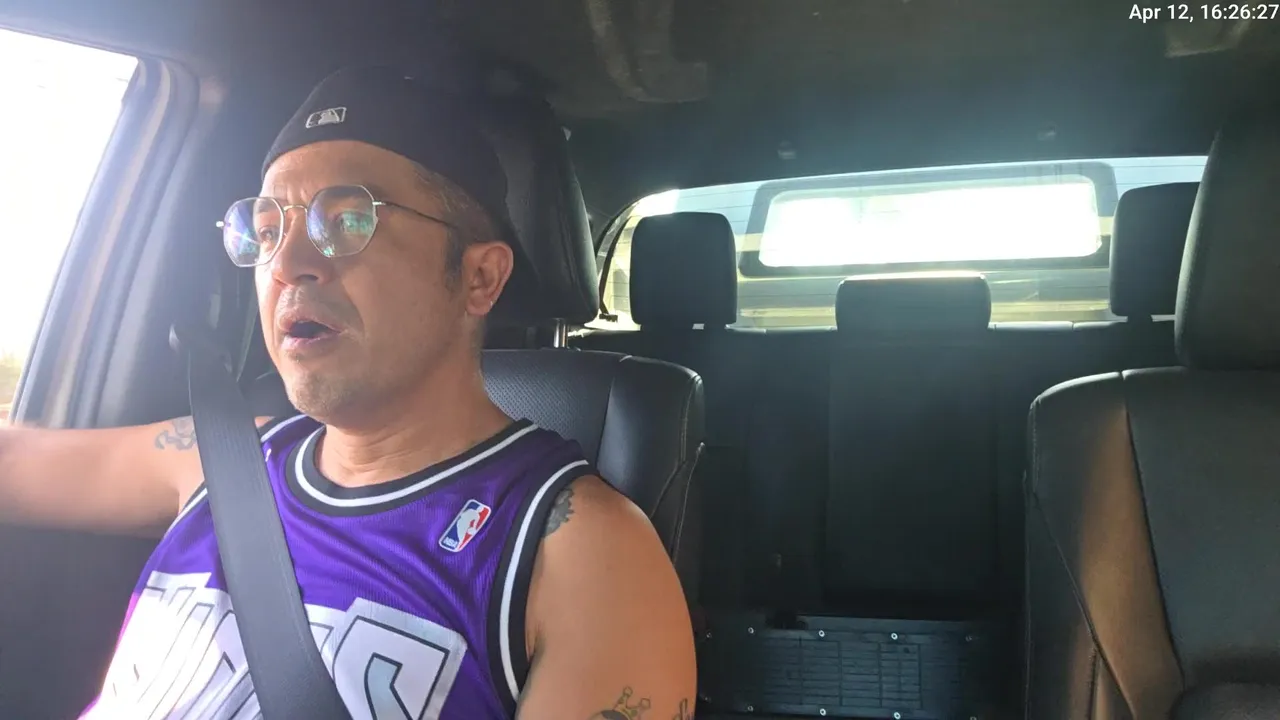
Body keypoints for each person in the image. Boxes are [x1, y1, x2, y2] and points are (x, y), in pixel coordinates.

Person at [0, 66, 695, 719]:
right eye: (266, 231)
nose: (288, 264)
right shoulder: (220, 458)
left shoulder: (579, 553)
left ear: (479, 277)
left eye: (348, 221)